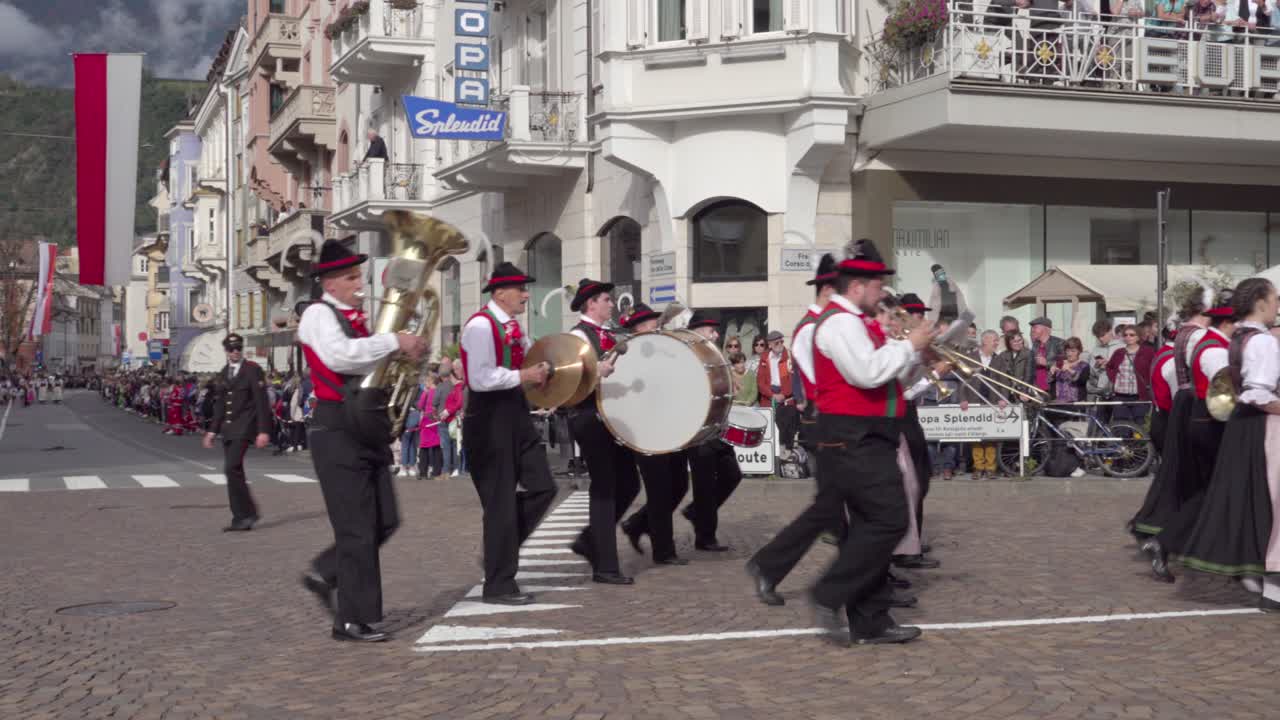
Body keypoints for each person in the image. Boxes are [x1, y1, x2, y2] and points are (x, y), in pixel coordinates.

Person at [748, 239, 931, 646]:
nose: (882, 293)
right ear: (856, 287)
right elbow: (865, 373)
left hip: (866, 432)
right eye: (876, 286)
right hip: (849, 434)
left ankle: (870, 620)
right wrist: (908, 345)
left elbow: (885, 378)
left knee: (866, 523)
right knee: (887, 521)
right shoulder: (839, 324)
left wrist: (915, 355)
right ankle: (828, 592)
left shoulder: (858, 323)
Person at [296, 240, 427, 643]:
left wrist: (409, 355)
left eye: (358, 275)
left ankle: (327, 572)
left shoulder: (355, 318)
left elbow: (372, 363)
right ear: (330, 282)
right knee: (356, 529)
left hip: (363, 426)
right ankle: (352, 620)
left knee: (385, 519)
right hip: (336, 428)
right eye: (352, 277)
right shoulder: (318, 315)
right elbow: (339, 358)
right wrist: (392, 342)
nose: (359, 283)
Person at [1177, 277, 1280, 609]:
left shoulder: (1239, 336)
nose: (1278, 306)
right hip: (1264, 425)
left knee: (1258, 500)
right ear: (1261, 302)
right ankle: (1273, 586)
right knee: (1274, 503)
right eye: (1275, 299)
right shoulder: (1263, 342)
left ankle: (1258, 575)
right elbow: (1257, 390)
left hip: (1244, 426)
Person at [460, 261, 557, 604]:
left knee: (544, 486)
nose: (527, 295)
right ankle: (499, 583)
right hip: (487, 419)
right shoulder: (481, 327)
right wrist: (525, 376)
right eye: (521, 289)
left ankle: (498, 546)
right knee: (500, 503)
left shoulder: (514, 327)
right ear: (501, 293)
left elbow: (527, 365)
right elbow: (480, 378)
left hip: (515, 414)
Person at [1142, 293, 1235, 582]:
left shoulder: (1199, 341)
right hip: (1210, 421)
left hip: (1197, 417)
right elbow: (1225, 393)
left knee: (1209, 490)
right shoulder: (1212, 348)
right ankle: (1170, 542)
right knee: (1216, 490)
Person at [566, 278, 641, 585]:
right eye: (607, 300)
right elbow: (568, 378)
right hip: (588, 417)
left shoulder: (610, 334)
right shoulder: (576, 336)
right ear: (591, 303)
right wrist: (596, 372)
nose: (612, 304)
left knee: (629, 484)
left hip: (613, 419)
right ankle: (606, 567)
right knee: (605, 488)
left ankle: (590, 540)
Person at [1128, 292, 1211, 541]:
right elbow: (1180, 398)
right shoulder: (1170, 361)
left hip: (1166, 420)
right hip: (1170, 421)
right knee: (1178, 482)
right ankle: (1168, 531)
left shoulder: (1165, 356)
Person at [620, 303, 692, 567]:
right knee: (659, 490)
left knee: (680, 484)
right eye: (648, 323)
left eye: (654, 321)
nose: (654, 325)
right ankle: (664, 550)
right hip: (645, 430)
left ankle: (636, 523)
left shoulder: (662, 350)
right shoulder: (629, 353)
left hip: (670, 426)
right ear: (636, 329)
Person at [202, 334, 272, 532]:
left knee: (231, 468)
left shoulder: (253, 370)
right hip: (229, 428)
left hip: (245, 426)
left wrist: (263, 431)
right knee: (234, 472)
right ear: (226, 351)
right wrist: (212, 431)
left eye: (238, 348)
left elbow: (261, 402)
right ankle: (241, 516)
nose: (235, 352)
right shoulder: (224, 373)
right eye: (231, 349)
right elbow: (220, 405)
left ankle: (247, 513)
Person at [964, 330, 1005, 479]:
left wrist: (1003, 398)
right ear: (985, 340)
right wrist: (963, 399)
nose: (996, 343)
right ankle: (978, 466)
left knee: (991, 435)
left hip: (992, 401)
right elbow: (964, 380)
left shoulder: (999, 359)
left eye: (997, 340)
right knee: (976, 435)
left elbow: (1004, 381)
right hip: (975, 400)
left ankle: (990, 467)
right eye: (994, 340)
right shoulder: (970, 358)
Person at [1106, 325, 1156, 426]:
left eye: (1132, 335)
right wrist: (1114, 379)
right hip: (1120, 395)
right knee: (1121, 426)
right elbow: (1109, 367)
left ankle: (1138, 442)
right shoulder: (1119, 352)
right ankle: (1123, 441)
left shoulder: (1148, 351)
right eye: (1125, 335)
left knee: (1140, 425)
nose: (1128, 337)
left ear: (1138, 337)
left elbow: (1154, 368)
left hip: (1140, 396)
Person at [758, 330, 798, 453]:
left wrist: (784, 394)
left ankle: (787, 457)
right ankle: (774, 459)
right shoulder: (765, 358)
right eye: (776, 343)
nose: (780, 344)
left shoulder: (789, 357)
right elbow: (760, 382)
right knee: (772, 431)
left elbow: (795, 380)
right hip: (770, 397)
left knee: (788, 430)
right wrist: (772, 395)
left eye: (781, 341)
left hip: (786, 398)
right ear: (769, 345)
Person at [1029, 317, 1065, 395]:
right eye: (1032, 328)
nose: (1032, 330)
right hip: (1037, 389)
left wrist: (1047, 363)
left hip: (1053, 389)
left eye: (1035, 327)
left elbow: (1064, 365)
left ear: (1046, 329)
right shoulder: (1035, 345)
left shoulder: (1060, 343)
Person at [417, 373, 443, 479]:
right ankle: (436, 471)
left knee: (424, 447)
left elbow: (419, 406)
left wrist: (424, 393)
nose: (425, 383)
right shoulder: (439, 390)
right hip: (436, 419)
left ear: (431, 382)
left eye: (427, 381)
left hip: (427, 420)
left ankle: (423, 472)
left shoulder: (427, 392)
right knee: (436, 446)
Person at [1049, 337, 1090, 404]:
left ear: (1079, 351)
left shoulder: (1084, 365)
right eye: (1068, 351)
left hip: (1076, 403)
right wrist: (1052, 373)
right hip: (1059, 403)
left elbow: (1082, 381)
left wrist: (1069, 370)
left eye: (1073, 351)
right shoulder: (1059, 363)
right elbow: (1051, 383)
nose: (1069, 354)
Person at [434, 359, 456, 475]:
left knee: (446, 446)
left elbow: (435, 402)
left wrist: (435, 413)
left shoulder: (440, 387)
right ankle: (456, 468)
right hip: (453, 418)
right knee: (454, 444)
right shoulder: (455, 386)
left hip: (442, 419)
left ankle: (446, 469)